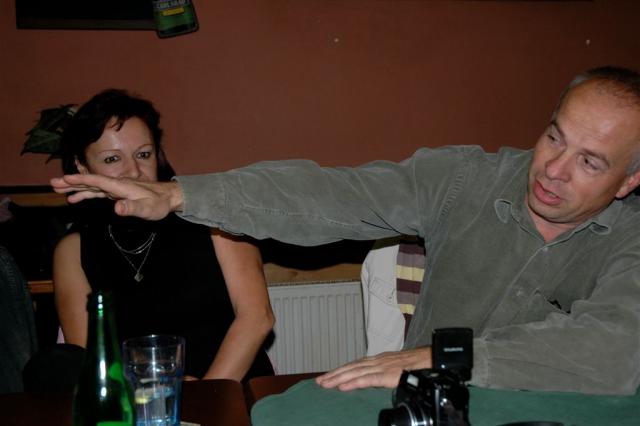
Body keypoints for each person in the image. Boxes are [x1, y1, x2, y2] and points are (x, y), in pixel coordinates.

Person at [51, 66, 640, 395]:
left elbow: (615, 350)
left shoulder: (631, 240)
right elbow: (332, 193)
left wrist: (441, 358)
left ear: (630, 180)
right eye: (554, 137)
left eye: (590, 161)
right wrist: (182, 195)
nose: (553, 170)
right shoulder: (464, 179)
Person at [52, 89, 274, 382]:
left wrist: (202, 396)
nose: (134, 171)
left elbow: (257, 318)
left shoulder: (213, 217)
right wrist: (155, 397)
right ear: (82, 166)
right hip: (140, 400)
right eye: (112, 159)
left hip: (231, 390)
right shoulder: (73, 250)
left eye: (143, 154)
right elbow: (92, 357)